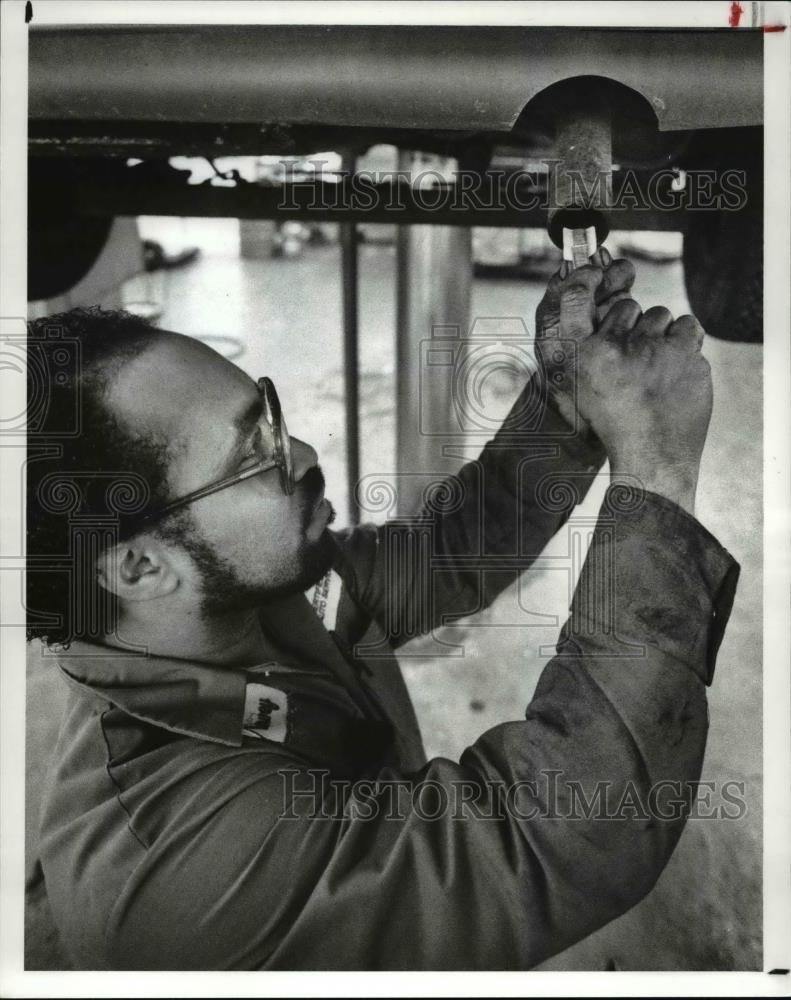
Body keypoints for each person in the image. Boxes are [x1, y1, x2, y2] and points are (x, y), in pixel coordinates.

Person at [26, 252, 739, 971]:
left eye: (270, 413)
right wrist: (655, 470)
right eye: (254, 455)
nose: (304, 453)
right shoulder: (183, 866)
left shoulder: (249, 599)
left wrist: (564, 404)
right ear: (141, 567)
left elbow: (446, 553)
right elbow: (555, 839)